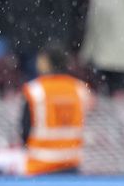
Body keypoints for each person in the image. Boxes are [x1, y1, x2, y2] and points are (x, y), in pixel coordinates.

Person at [20, 45, 92, 176]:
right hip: (71, 163)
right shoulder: (79, 89)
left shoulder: (35, 90)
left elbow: (25, 128)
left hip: (40, 165)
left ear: (46, 62)